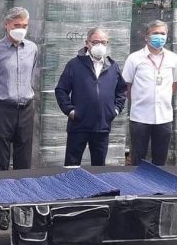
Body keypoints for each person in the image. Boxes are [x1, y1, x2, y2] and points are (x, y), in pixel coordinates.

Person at [0, 6, 38, 230]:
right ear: (6, 25)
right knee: (1, 160)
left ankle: (22, 206)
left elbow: (32, 74)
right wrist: (2, 97)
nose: (21, 29)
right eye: (16, 25)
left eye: (24, 26)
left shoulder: (32, 48)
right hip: (2, 109)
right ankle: (1, 208)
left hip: (25, 109)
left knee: (24, 160)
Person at [54, 27, 127, 166]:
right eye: (95, 42)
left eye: (103, 42)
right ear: (87, 43)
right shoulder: (74, 65)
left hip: (102, 126)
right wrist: (70, 111)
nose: (99, 45)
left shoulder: (112, 66)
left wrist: (114, 110)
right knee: (72, 166)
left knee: (99, 167)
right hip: (78, 124)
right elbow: (61, 90)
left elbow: (121, 91)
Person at [122, 20, 177, 166]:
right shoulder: (134, 58)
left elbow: (175, 83)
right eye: (155, 33)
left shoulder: (172, 58)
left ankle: (158, 180)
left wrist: (164, 97)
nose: (159, 37)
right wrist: (139, 99)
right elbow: (127, 85)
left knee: (160, 159)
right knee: (138, 158)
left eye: (162, 33)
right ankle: (137, 180)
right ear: (146, 36)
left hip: (164, 117)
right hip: (140, 117)